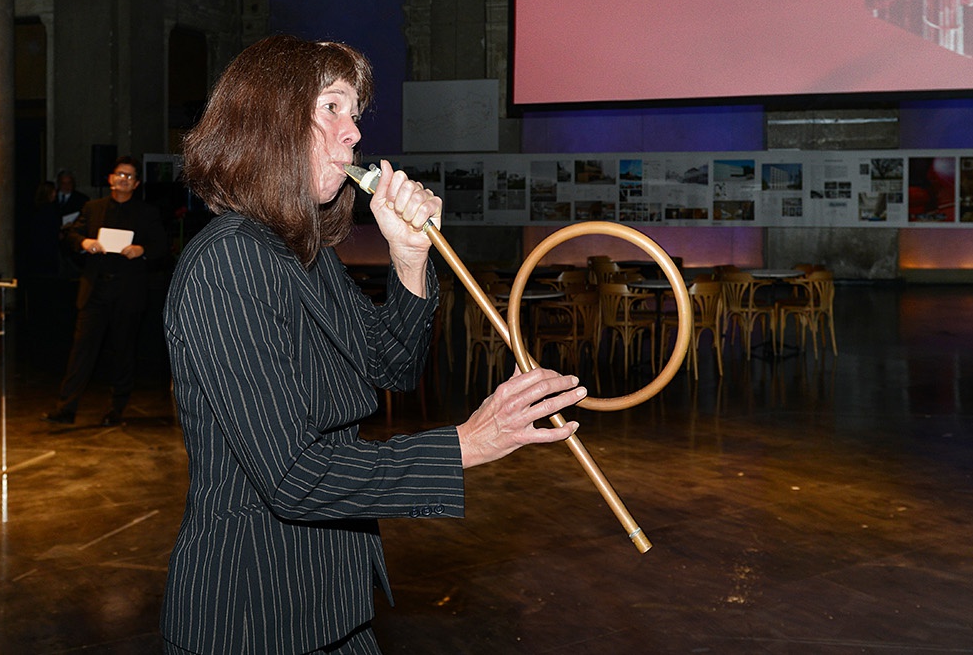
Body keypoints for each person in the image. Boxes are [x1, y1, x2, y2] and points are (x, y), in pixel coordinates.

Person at [159, 36, 586, 655]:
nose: (354, 132)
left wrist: (408, 257)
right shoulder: (228, 262)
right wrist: (467, 444)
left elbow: (394, 365)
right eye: (332, 107)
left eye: (354, 112)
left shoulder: (302, 254)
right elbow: (293, 476)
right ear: (271, 119)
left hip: (331, 597)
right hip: (253, 613)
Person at [44, 155, 169, 426]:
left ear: (136, 184)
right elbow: (71, 235)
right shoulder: (93, 207)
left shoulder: (146, 213)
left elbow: (162, 246)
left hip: (128, 291)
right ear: (110, 178)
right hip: (95, 289)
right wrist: (84, 243)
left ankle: (116, 409)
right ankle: (66, 408)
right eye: (119, 174)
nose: (123, 179)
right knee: (81, 350)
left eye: (129, 176)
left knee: (123, 351)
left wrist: (141, 250)